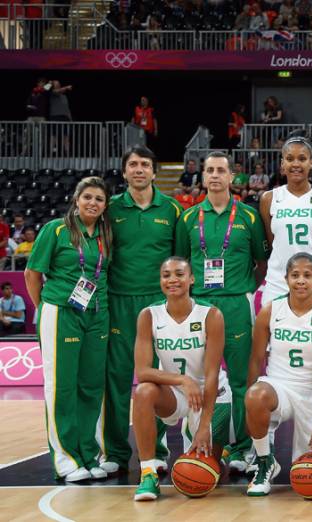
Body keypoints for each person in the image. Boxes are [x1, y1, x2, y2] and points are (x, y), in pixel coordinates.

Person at [174, 151, 269, 472]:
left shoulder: (249, 217)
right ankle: (197, 444)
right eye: (209, 170)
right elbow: (181, 264)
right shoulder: (187, 219)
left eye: (221, 171)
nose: (215, 175)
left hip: (237, 304)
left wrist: (242, 288)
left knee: (243, 378)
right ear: (203, 177)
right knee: (197, 378)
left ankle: (244, 448)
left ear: (232, 177)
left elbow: (261, 263)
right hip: (198, 305)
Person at [100, 145, 182, 475]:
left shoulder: (172, 210)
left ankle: (157, 450)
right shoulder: (111, 209)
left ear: (153, 171)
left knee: (155, 383)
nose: (138, 169)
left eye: (144, 164)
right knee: (117, 380)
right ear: (124, 172)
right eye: (132, 164)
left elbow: (179, 263)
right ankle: (116, 453)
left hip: (157, 305)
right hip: (120, 301)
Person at [24, 176, 112, 482]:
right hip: (62, 312)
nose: (93, 203)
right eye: (87, 197)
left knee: (91, 387)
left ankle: (90, 454)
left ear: (105, 206)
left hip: (97, 314)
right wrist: (44, 309)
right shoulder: (55, 230)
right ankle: (66, 458)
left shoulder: (105, 234)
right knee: (62, 387)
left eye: (99, 199)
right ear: (76, 200)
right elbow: (32, 273)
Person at [131, 257, 231, 501]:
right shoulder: (149, 315)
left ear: (192, 279)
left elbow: (211, 374)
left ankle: (219, 442)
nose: (172, 280)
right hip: (175, 391)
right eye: (166, 275)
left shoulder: (210, 315)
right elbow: (143, 371)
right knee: (143, 391)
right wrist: (182, 381)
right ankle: (148, 474)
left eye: (179, 274)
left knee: (205, 476)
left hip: (211, 392)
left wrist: (204, 426)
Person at [244, 253, 312, 495]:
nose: (301, 281)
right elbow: (256, 360)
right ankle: (265, 461)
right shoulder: (270, 311)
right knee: (256, 395)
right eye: (295, 275)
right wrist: (249, 407)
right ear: (286, 279)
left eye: (307, 275)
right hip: (280, 388)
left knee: (311, 478)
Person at [260, 137, 312, 306]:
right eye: (289, 159)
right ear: (282, 164)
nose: (296, 164)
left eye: (302, 159)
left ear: (311, 163)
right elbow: (272, 242)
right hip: (278, 282)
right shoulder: (269, 198)